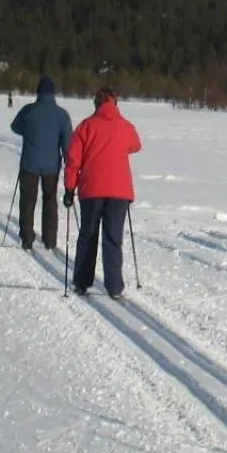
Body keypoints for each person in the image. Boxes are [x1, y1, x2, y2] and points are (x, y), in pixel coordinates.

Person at [64, 88, 141, 298]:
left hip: (91, 190)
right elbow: (136, 145)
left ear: (96, 104)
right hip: (119, 192)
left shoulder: (85, 126)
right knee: (113, 238)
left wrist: (69, 188)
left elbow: (73, 161)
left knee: (88, 236)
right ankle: (114, 287)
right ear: (115, 103)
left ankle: (81, 282)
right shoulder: (125, 126)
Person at [9, 76, 73, 252]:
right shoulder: (62, 115)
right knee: (50, 200)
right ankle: (50, 239)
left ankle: (27, 238)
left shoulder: (28, 110)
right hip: (52, 166)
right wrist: (70, 166)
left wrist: (29, 131)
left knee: (28, 201)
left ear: (38, 92)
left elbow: (15, 127)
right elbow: (67, 144)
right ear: (53, 94)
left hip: (29, 163)